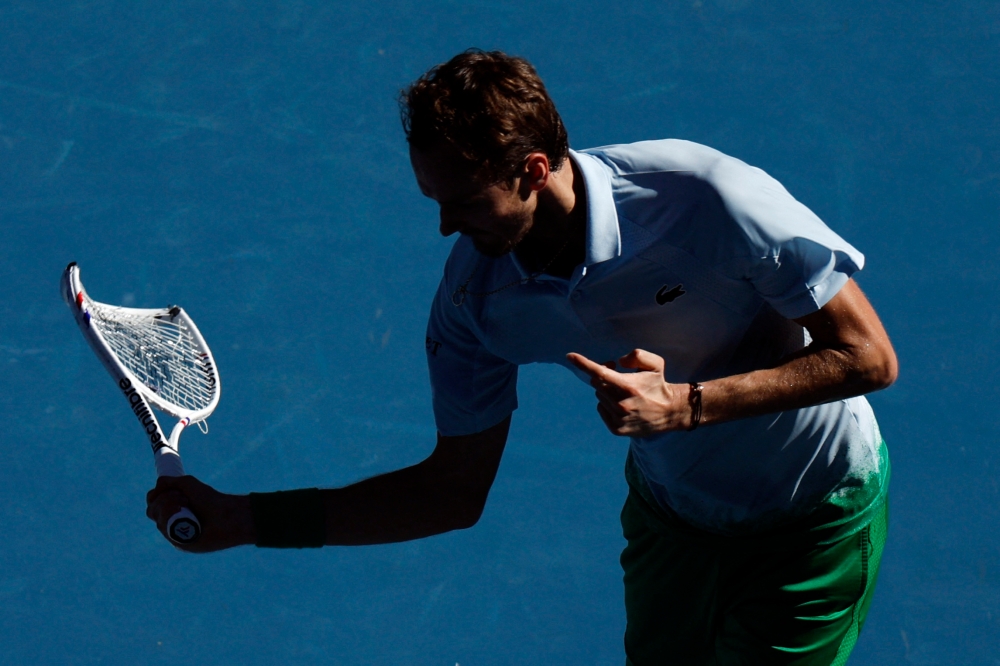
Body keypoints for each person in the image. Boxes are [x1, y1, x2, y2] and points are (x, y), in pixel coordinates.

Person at [147, 49, 898, 665]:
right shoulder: (475, 302)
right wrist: (247, 519)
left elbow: (869, 358)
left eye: (467, 202)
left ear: (533, 170)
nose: (446, 227)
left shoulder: (705, 199)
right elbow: (450, 492)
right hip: (675, 523)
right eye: (435, 201)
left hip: (814, 516)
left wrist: (688, 407)